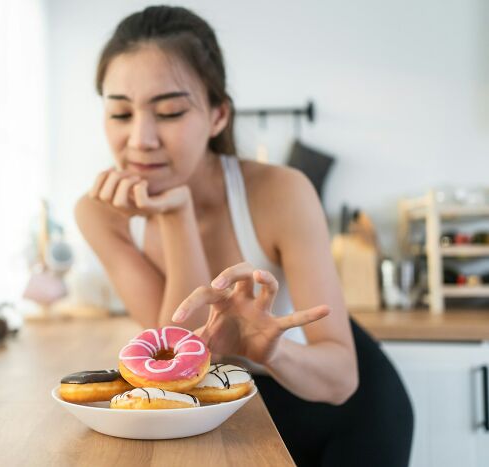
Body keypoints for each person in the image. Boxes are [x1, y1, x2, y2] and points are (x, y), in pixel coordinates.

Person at [75, 6, 413, 466]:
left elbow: (341, 378)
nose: (140, 138)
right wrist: (177, 215)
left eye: (170, 111)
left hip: (343, 412)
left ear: (218, 117)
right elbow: (176, 357)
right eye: (119, 112)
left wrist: (273, 351)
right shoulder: (100, 213)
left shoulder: (282, 192)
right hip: (235, 409)